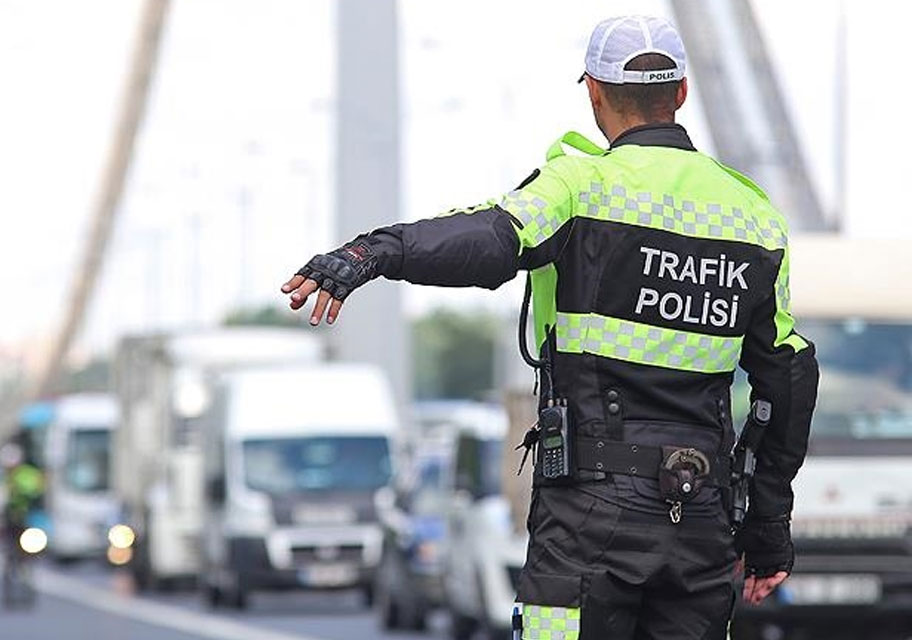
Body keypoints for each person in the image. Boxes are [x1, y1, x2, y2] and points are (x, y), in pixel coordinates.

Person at [280, 15, 818, 639]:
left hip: (590, 516)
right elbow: (788, 380)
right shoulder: (754, 218)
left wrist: (373, 253)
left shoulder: (580, 187)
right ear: (681, 94)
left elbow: (486, 238)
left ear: (593, 91)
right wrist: (768, 528)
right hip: (700, 515)